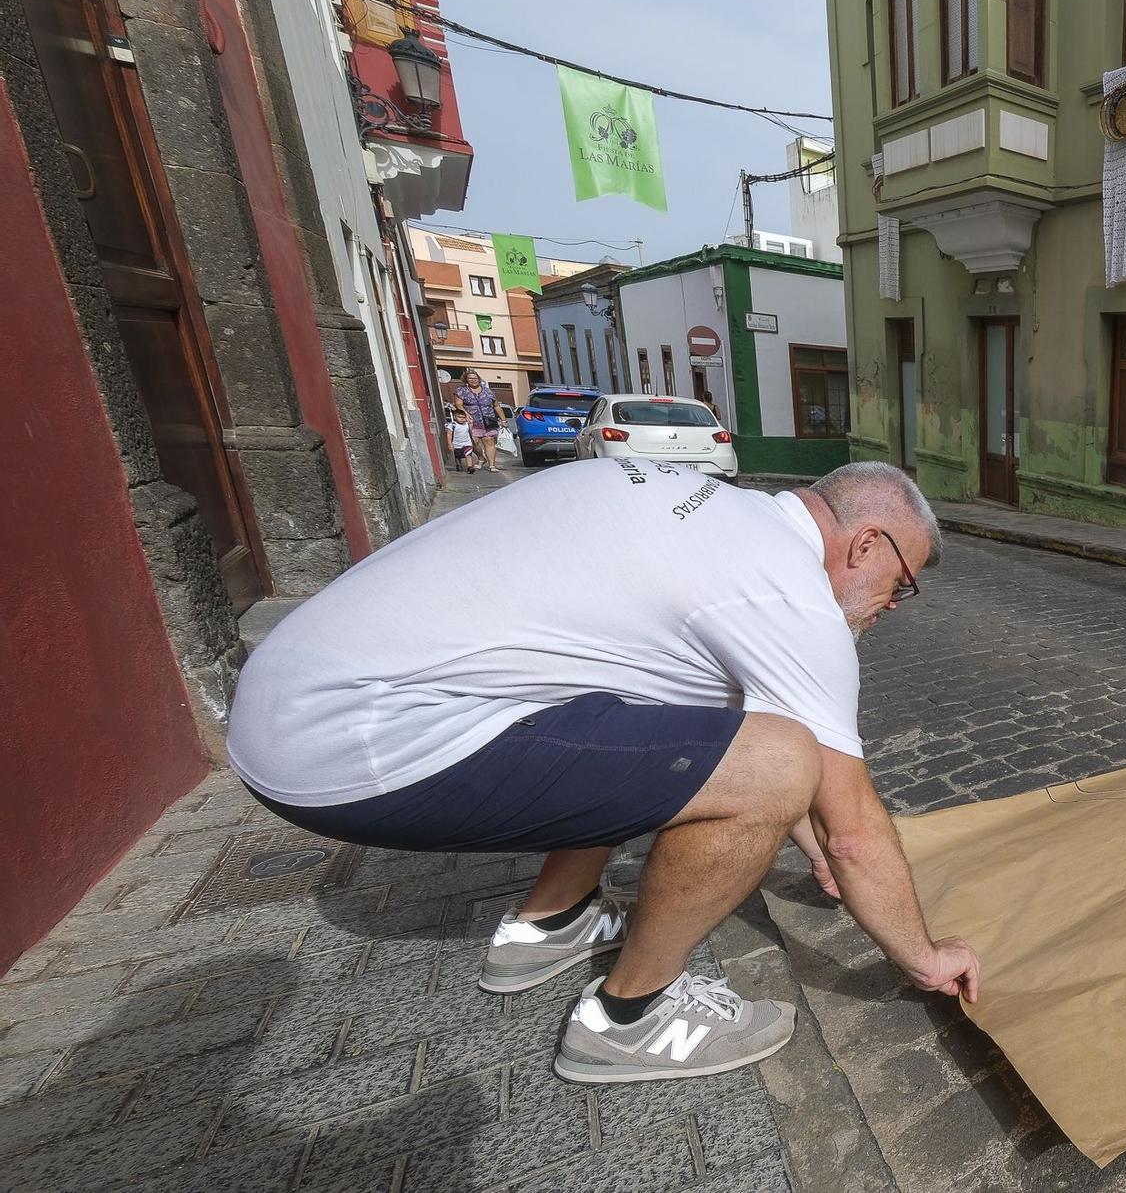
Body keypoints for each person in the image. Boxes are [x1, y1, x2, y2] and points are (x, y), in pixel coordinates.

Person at [226, 460, 979, 1083]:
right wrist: (923, 957)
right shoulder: (786, 592)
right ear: (867, 543)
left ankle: (553, 921)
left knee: (670, 713)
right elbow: (848, 825)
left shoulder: (715, 512)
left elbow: (715, 739)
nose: (890, 606)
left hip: (286, 700)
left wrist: (807, 841)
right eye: (901, 583)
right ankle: (631, 1016)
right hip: (348, 741)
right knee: (777, 759)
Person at [454, 370, 502, 471]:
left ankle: (492, 465)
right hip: (472, 421)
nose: (473, 380)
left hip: (488, 420)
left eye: (475, 378)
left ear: (479, 379)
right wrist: (466, 414)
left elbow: (496, 405)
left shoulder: (487, 391)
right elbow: (458, 404)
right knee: (474, 442)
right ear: (466, 380)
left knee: (489, 441)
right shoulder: (461, 391)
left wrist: (504, 419)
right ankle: (481, 458)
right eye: (470, 378)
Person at [448, 408, 478, 474]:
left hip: (467, 443)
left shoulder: (467, 424)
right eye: (460, 417)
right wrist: (449, 443)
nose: (462, 419)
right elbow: (449, 435)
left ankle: (470, 467)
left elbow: (471, 431)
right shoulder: (452, 425)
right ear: (455, 417)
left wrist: (474, 438)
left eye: (464, 417)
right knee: (458, 456)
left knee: (468, 455)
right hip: (456, 444)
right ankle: (458, 465)